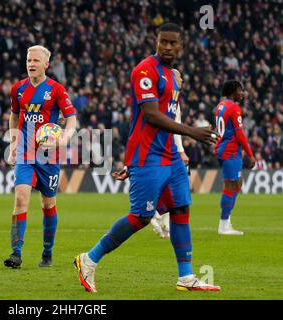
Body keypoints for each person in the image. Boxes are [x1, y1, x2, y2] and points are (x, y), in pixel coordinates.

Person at [74, 23, 221, 292]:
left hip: (171, 157)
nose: (167, 46)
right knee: (141, 217)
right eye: (162, 41)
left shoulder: (173, 76)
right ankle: (89, 259)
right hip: (148, 156)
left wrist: (180, 146)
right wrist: (192, 133)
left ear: (180, 46)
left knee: (180, 209)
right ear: (156, 41)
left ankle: (186, 276)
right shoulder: (145, 70)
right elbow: (151, 115)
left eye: (172, 43)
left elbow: (169, 114)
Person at [4, 45, 77, 268]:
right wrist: (15, 143)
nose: (31, 64)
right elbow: (14, 115)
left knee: (47, 204)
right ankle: (16, 253)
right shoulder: (18, 89)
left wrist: (63, 139)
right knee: (20, 199)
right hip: (26, 153)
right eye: (28, 60)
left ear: (46, 64)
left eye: (36, 61)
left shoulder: (56, 90)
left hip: (49, 155)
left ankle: (47, 252)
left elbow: (72, 119)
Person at [150, 69, 189, 239]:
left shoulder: (174, 96)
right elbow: (174, 124)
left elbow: (175, 124)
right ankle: (155, 215)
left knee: (171, 186)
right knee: (169, 185)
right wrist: (180, 150)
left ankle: (164, 221)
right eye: (180, 76)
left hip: (168, 148)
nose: (182, 78)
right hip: (164, 148)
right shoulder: (166, 97)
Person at [214, 80, 255, 235]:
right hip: (230, 151)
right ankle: (224, 225)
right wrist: (250, 154)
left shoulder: (220, 105)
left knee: (237, 182)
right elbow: (239, 134)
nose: (242, 93)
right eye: (240, 90)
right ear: (233, 91)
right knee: (231, 185)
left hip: (224, 149)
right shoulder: (234, 107)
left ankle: (227, 220)